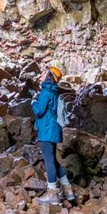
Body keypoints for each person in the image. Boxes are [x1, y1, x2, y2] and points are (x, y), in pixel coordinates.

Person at [32, 64, 75, 205]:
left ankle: (52, 194)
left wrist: (33, 101)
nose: (40, 75)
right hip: (54, 129)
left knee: (49, 161)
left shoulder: (45, 93)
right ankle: (68, 190)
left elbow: (39, 111)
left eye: (44, 73)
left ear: (49, 76)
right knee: (54, 161)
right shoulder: (54, 92)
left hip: (46, 130)